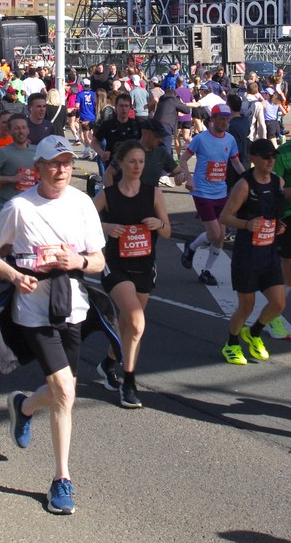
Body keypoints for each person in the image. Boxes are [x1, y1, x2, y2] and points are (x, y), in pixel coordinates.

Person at [0, 135, 106, 516]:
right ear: (38, 167)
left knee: (64, 390)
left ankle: (24, 406)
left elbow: (98, 260)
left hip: (73, 307)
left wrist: (78, 262)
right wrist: (14, 276)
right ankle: (61, 480)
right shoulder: (20, 207)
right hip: (33, 311)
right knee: (65, 390)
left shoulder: (83, 204)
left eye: (66, 162)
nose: (61, 169)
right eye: (53, 163)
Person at [93, 139, 170, 407]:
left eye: (141, 162)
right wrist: (106, 227)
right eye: (132, 162)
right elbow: (83, 218)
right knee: (137, 323)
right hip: (116, 266)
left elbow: (167, 232)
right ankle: (129, 383)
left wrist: (158, 223)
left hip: (145, 266)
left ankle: (108, 363)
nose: (137, 166)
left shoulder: (154, 194)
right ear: (121, 163)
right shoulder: (109, 194)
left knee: (128, 325)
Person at [218, 138, 287, 365]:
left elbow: (274, 213)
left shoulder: (278, 182)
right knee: (246, 305)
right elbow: (225, 217)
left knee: (278, 303)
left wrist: (278, 225)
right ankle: (232, 343)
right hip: (247, 254)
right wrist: (247, 225)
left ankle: (254, 332)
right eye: (266, 157)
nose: (270, 161)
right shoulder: (244, 185)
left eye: (273, 156)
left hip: (269, 253)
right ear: (254, 158)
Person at [179, 104, 245, 286]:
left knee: (221, 235)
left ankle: (206, 271)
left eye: (227, 119)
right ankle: (192, 247)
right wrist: (189, 178)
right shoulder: (201, 139)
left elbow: (236, 162)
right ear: (212, 119)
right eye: (221, 118)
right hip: (201, 191)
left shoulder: (230, 140)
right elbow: (183, 159)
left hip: (220, 192)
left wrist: (248, 178)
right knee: (215, 233)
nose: (224, 122)